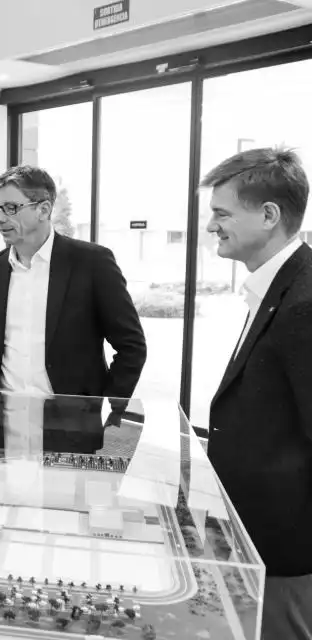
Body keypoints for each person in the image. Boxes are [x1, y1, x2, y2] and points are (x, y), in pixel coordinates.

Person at [202, 148, 312, 640]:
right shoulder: (276, 290)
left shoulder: (304, 303)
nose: (211, 226)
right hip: (256, 543)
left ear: (269, 215)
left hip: (287, 553)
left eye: (222, 213)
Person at [0, 165, 146, 432]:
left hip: (72, 423)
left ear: (44, 209)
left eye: (11, 208)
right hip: (2, 419)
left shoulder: (92, 262)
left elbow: (131, 345)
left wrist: (105, 404)